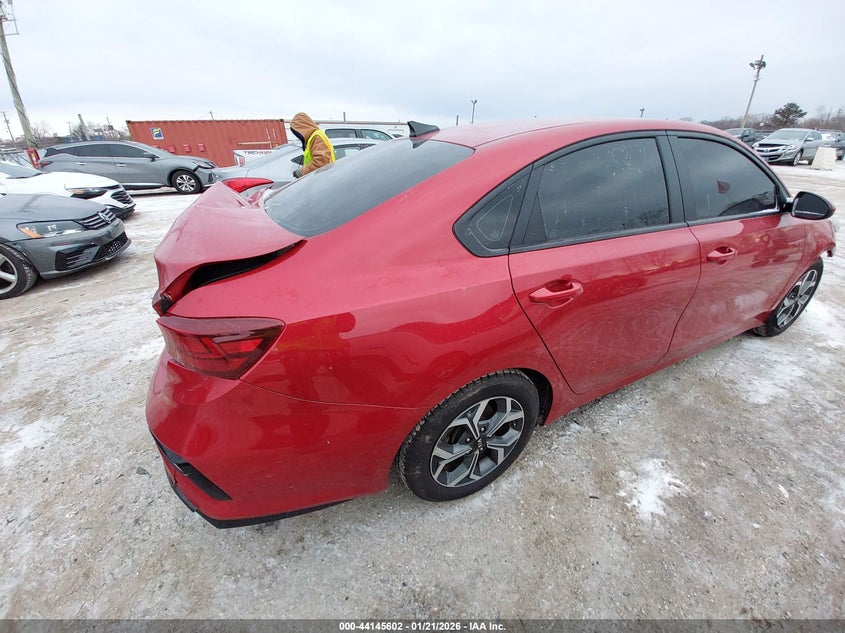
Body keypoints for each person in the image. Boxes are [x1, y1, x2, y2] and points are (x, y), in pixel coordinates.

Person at [289, 112, 336, 178]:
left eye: (298, 132)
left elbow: (321, 162)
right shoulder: (313, 137)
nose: (298, 135)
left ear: (303, 128)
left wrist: (302, 171)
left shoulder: (316, 137)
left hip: (322, 178)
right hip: (319, 177)